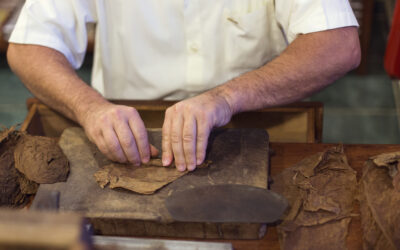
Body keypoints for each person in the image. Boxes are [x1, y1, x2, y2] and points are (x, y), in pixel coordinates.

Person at [7, 1, 361, 172]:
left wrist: (225, 97)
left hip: (257, 119)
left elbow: (338, 44)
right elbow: (29, 46)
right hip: (127, 131)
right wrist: (90, 108)